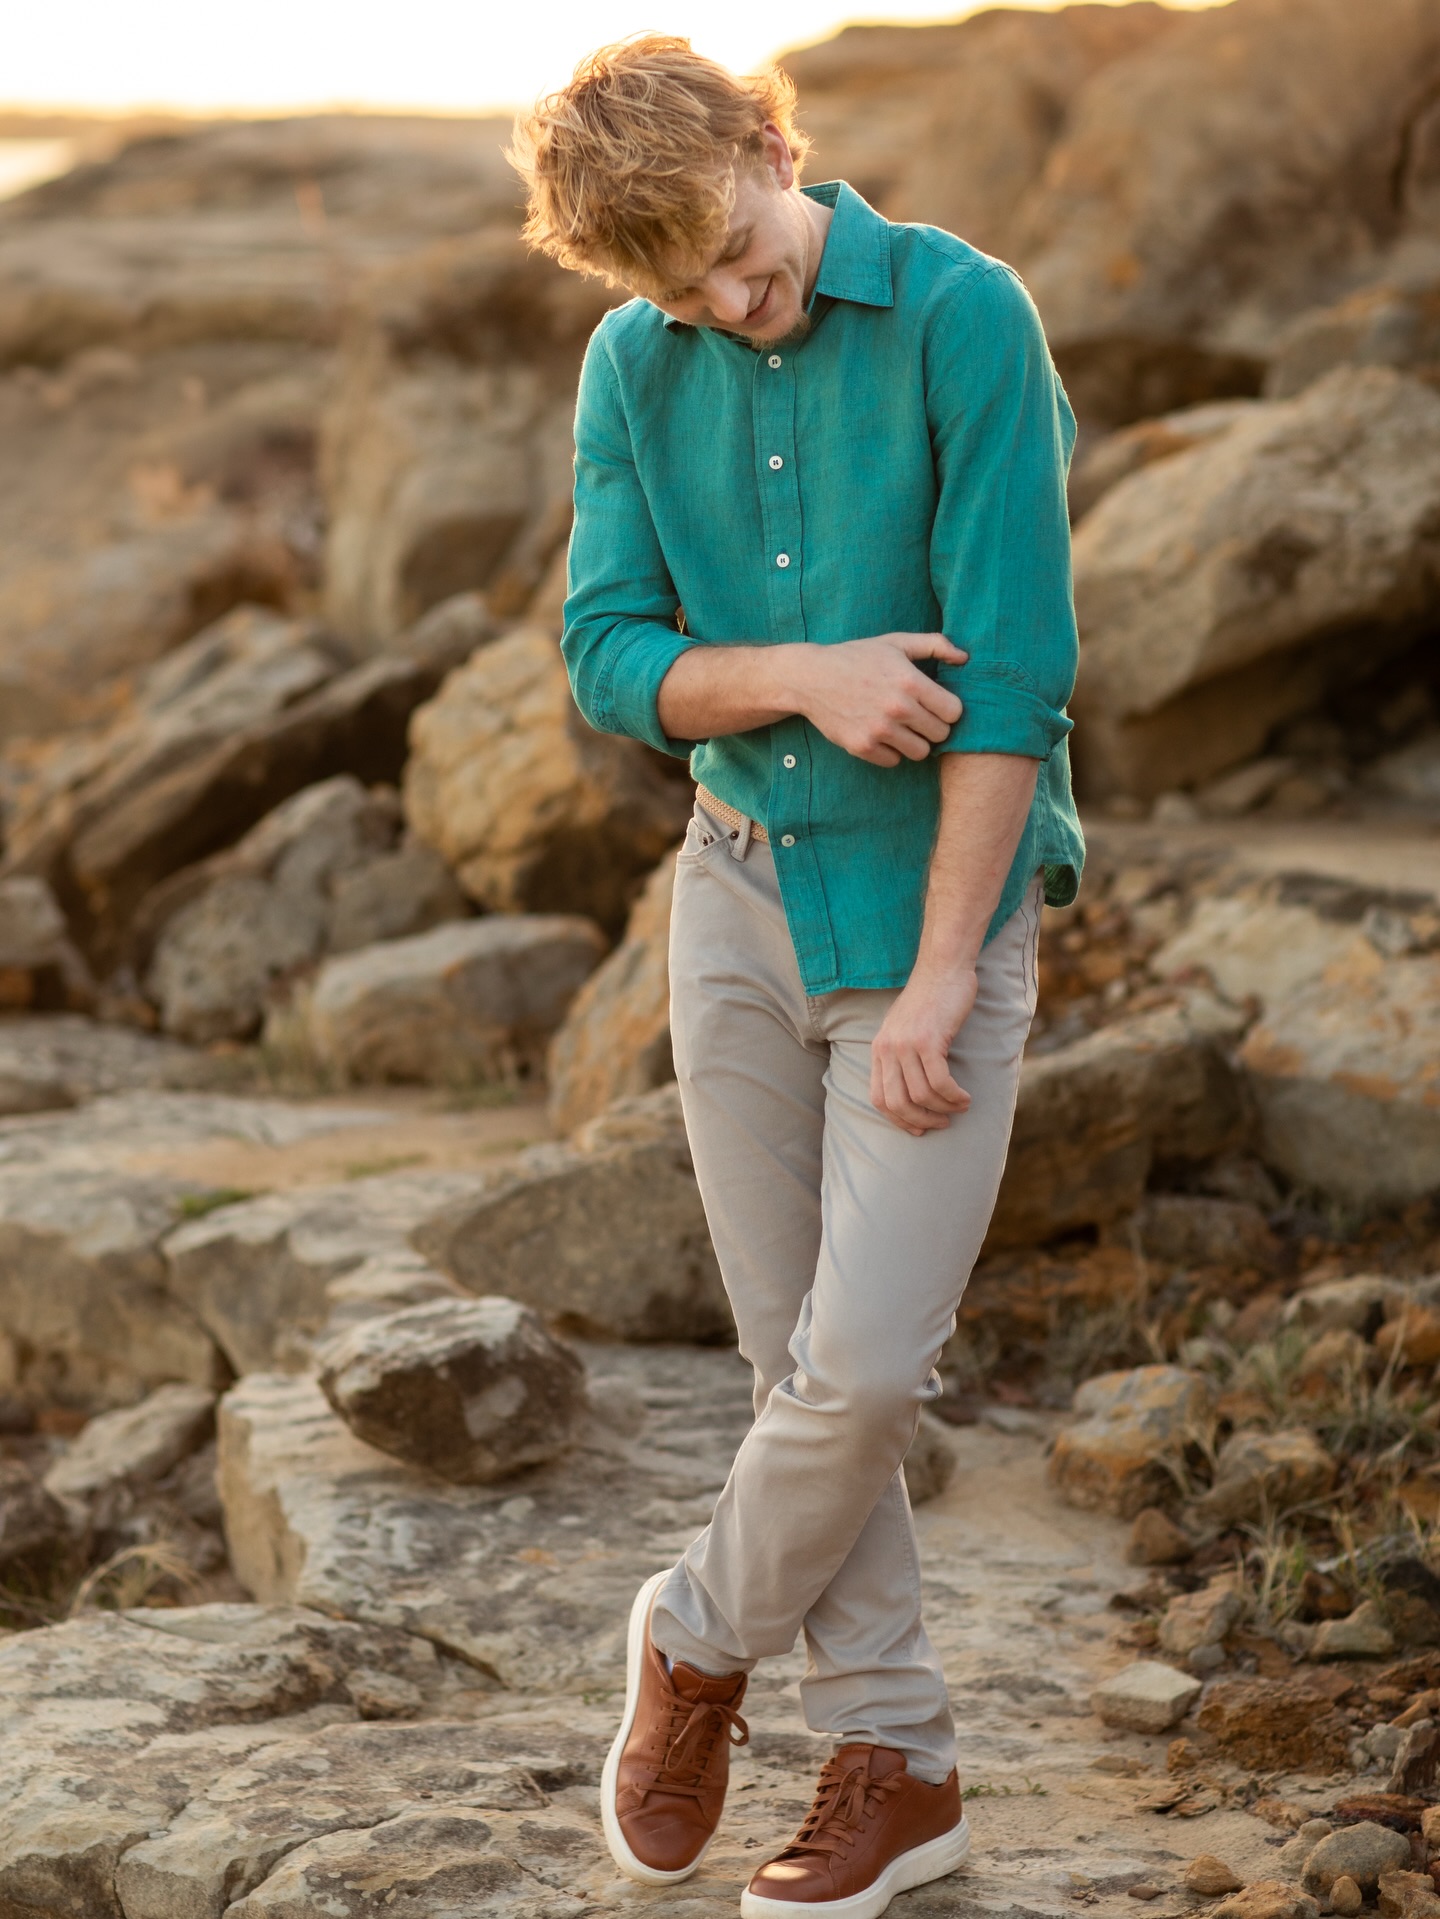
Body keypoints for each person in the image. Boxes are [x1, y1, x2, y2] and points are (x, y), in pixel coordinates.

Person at [510, 35, 1083, 1918]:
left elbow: (1010, 680)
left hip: (934, 916)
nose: (732, 309)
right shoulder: (632, 361)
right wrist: (809, 673)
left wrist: (941, 982)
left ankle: (690, 1644)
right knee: (789, 1374)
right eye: (686, 294)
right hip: (734, 899)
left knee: (860, 1369)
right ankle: (902, 1763)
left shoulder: (963, 318)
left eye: (746, 263)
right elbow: (607, 656)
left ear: (778, 145)